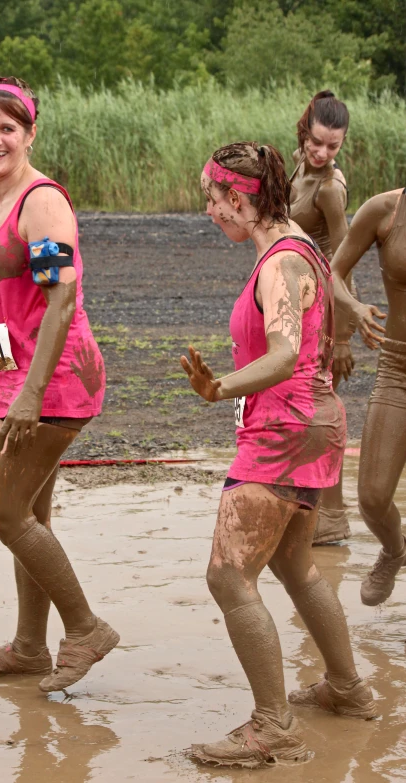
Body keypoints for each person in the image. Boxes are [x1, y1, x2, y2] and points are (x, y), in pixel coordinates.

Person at [181, 142, 376, 769]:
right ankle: (347, 688)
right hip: (316, 425)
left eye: (214, 200)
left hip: (283, 429)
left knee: (227, 574)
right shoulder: (298, 243)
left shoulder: (277, 264)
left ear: (240, 197)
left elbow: (286, 351)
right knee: (296, 567)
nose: (211, 213)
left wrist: (221, 388)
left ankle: (272, 725)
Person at [0, 76, 119, 692]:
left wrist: (33, 393)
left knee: (2, 511)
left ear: (31, 134)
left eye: (8, 128)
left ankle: (85, 628)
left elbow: (61, 298)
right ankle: (31, 648)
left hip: (57, 377)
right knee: (31, 513)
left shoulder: (42, 201)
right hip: (15, 372)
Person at [330, 186, 406, 607]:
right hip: (399, 369)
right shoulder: (384, 210)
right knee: (373, 498)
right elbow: (332, 272)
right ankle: (396, 550)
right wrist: (354, 308)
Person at [290, 90, 353, 545]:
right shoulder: (299, 165)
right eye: (317, 142)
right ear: (305, 132)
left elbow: (344, 261)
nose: (322, 153)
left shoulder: (331, 189)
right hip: (296, 297)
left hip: (323, 305)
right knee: (299, 404)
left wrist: (345, 336)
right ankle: (310, 505)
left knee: (319, 407)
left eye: (333, 146)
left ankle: (334, 515)